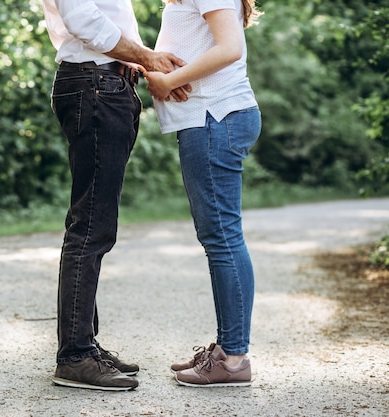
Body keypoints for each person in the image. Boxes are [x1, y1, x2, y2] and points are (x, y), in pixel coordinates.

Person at [40, 0, 190, 391]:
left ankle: (84, 346)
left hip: (105, 83)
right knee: (91, 227)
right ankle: (74, 356)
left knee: (93, 224)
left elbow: (105, 19)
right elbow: (82, 19)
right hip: (95, 85)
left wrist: (140, 65)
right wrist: (149, 57)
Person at [144, 0, 262, 387]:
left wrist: (169, 82)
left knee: (222, 238)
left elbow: (230, 48)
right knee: (220, 237)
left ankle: (233, 359)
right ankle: (229, 348)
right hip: (211, 119)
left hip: (215, 118)